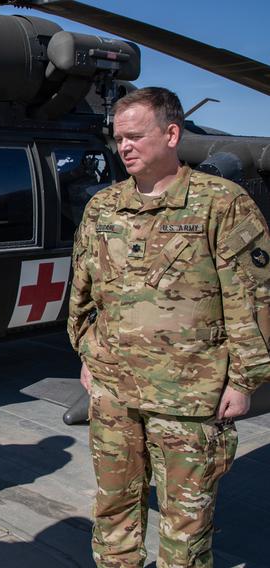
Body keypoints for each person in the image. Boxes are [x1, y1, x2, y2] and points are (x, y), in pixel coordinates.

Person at [68, 87, 270, 567]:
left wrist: (244, 381)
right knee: (113, 507)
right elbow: (82, 291)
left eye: (136, 136)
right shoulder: (104, 207)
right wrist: (87, 353)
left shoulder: (222, 203)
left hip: (190, 397)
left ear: (172, 134)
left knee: (186, 520)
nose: (125, 147)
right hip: (114, 390)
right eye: (119, 139)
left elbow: (254, 299)